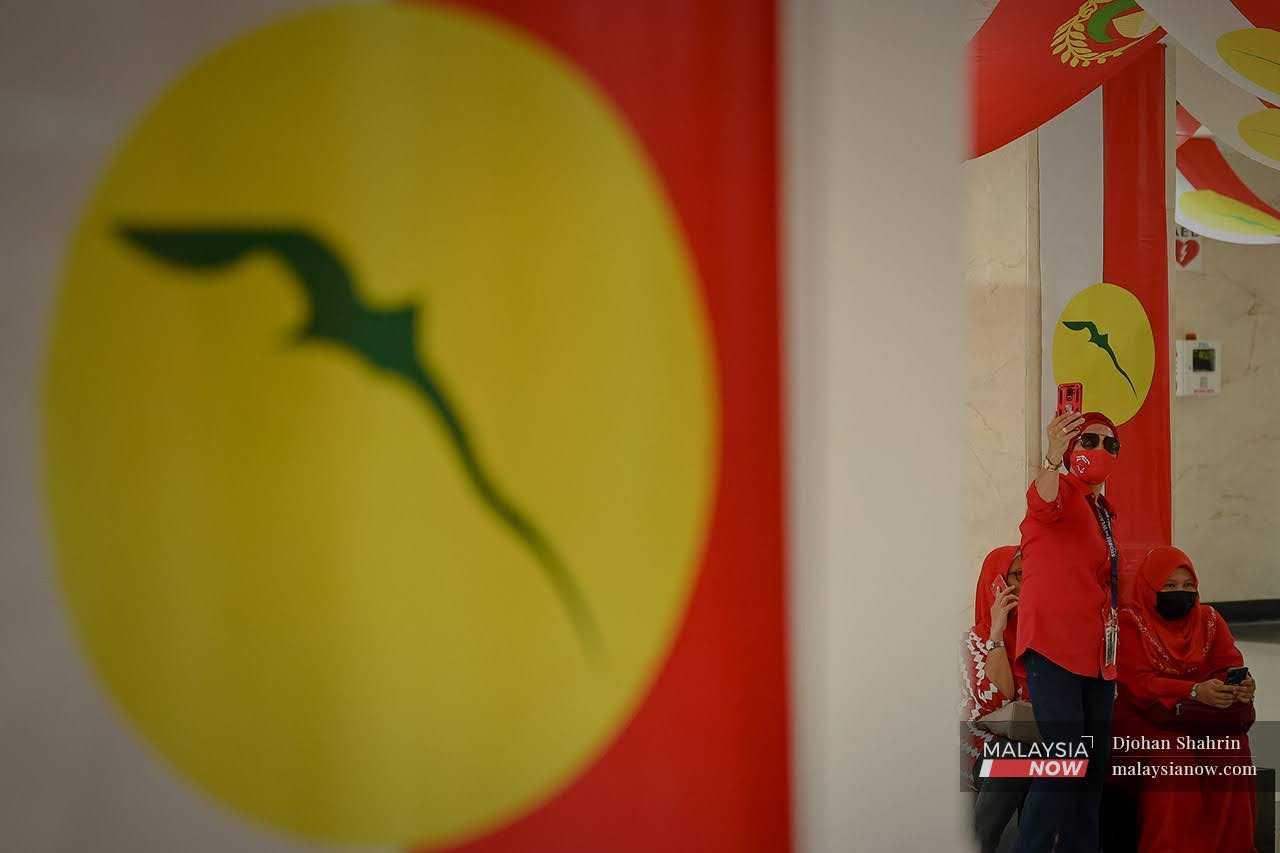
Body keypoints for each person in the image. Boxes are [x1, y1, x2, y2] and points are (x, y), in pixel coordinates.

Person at [1013, 410, 1122, 853]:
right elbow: (1042, 500)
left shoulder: (1102, 510)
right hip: (1055, 649)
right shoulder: (1059, 494)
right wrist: (1053, 457)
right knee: (1064, 764)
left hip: (1098, 656)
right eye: (1089, 440)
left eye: (1110, 444)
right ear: (1072, 447)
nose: (1100, 450)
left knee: (1093, 770)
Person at [1113, 547, 1258, 853]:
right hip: (1146, 719)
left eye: (1187, 586)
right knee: (1173, 754)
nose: (1181, 593)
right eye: (1169, 586)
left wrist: (1241, 686)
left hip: (1199, 716)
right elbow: (1138, 684)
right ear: (1149, 587)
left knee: (1230, 749)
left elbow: (1227, 664)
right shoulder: (1129, 621)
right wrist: (1192, 690)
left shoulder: (1208, 619)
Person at [963, 546, 1030, 852]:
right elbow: (997, 703)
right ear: (997, 584)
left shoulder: (1042, 638)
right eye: (1018, 575)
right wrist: (998, 634)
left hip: (1045, 748)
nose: (1027, 584)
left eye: (1033, 575)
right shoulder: (974, 641)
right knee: (1013, 755)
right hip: (985, 756)